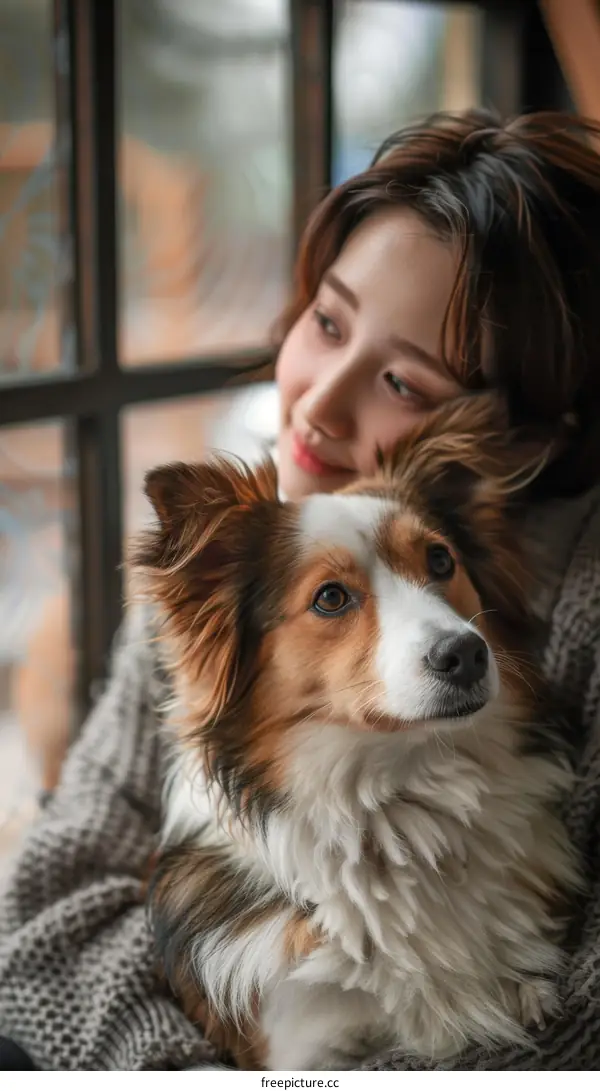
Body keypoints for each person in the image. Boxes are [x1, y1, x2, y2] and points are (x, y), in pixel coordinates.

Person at [2, 108, 600, 1071]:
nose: (317, 401)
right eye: (326, 322)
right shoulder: (241, 556)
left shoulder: (578, 614)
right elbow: (57, 893)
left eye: (403, 383)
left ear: (518, 443)